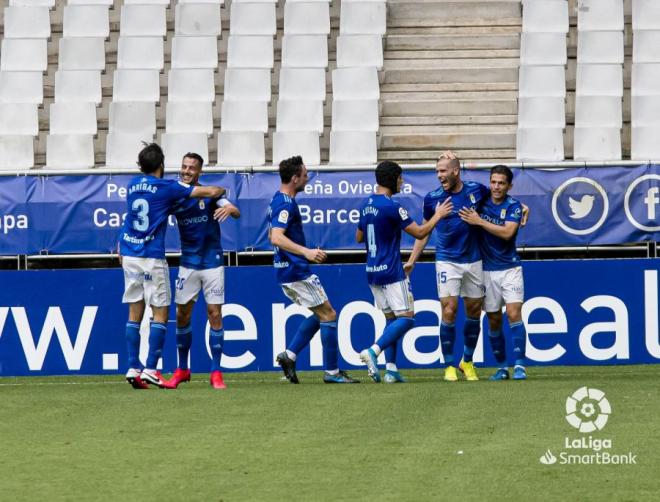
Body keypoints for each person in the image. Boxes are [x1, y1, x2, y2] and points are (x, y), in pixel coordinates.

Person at [119, 143, 225, 389]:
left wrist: (119, 243)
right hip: (151, 256)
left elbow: (130, 219)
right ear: (162, 166)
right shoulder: (168, 187)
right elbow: (209, 192)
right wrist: (222, 191)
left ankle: (133, 366)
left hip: (129, 253)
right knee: (161, 312)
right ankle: (152, 369)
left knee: (134, 312)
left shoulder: (132, 185)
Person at [357, 161, 448, 383]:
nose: (402, 181)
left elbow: (359, 238)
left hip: (372, 271)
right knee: (407, 319)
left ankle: (391, 370)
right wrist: (438, 215)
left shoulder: (366, 204)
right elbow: (420, 232)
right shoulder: (392, 206)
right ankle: (373, 351)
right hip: (391, 270)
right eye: (400, 178)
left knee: (391, 320)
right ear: (392, 179)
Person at [269, 156, 358, 384]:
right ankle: (332, 372)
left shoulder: (278, 200)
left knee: (321, 314)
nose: (307, 178)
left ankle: (289, 355)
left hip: (288, 269)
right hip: (295, 271)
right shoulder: (285, 203)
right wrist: (306, 252)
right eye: (305, 174)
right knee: (328, 314)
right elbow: (276, 237)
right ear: (294, 178)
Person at [405, 151, 489, 382]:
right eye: (437, 172)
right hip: (446, 260)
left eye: (443, 171)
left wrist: (520, 207)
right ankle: (449, 366)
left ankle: (467, 361)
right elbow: (424, 231)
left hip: (474, 260)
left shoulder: (477, 190)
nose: (439, 175)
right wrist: (412, 259)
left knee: (474, 311)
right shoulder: (432, 198)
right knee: (449, 310)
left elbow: (498, 201)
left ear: (456, 170)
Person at [163, 153, 241, 390]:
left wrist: (230, 210)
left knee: (214, 314)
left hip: (212, 262)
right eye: (184, 166)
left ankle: (216, 372)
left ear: (199, 172)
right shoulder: (176, 196)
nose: (186, 171)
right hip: (188, 262)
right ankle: (182, 369)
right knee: (183, 315)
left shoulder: (210, 195)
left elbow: (234, 210)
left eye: (191, 168)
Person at [458, 165, 528, 380]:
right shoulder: (481, 200)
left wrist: (480, 221)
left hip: (510, 268)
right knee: (494, 319)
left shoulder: (513, 205)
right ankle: (502, 367)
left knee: (514, 313)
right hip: (486, 270)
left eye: (501, 183)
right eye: (493, 182)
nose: (496, 186)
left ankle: (520, 366)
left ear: (509, 186)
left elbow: (507, 233)